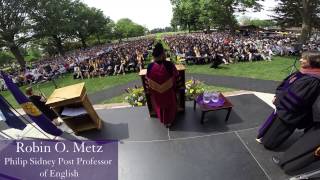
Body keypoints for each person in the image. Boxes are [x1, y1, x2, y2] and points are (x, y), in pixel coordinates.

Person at [257, 51, 320, 150]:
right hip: (284, 105)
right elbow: (286, 83)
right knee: (274, 125)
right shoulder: (304, 71)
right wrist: (277, 95)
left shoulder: (312, 80)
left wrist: (279, 101)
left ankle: (270, 143)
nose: (300, 60)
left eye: (304, 59)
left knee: (277, 131)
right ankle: (264, 137)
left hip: (291, 112)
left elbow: (296, 98)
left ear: (313, 62)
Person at [146, 43, 178, 127]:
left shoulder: (150, 66)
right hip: (169, 91)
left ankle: (163, 120)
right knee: (170, 104)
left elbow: (148, 80)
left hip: (157, 94)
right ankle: (169, 121)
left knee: (160, 106)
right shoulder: (169, 64)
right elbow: (176, 75)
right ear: (163, 54)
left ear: (154, 55)